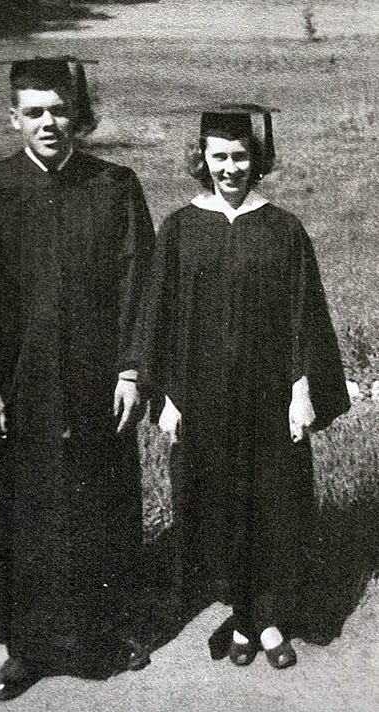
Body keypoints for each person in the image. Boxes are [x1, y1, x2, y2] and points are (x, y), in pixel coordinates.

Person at [0, 56, 155, 700]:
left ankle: (105, 632)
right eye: (34, 111)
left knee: (102, 504)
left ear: (76, 115)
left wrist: (133, 369)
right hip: (21, 387)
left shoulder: (114, 185)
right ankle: (27, 649)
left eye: (59, 109)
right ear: (14, 118)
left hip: (97, 383)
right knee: (25, 514)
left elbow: (138, 284)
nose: (49, 122)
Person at [137, 104, 350, 669]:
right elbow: (156, 316)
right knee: (218, 508)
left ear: (258, 160)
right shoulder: (180, 229)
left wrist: (305, 386)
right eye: (219, 157)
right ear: (201, 160)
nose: (229, 168)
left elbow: (308, 314)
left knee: (274, 506)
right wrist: (164, 398)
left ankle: (271, 619)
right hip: (202, 399)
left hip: (269, 396)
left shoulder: (282, 228)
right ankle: (241, 614)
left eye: (239, 156)